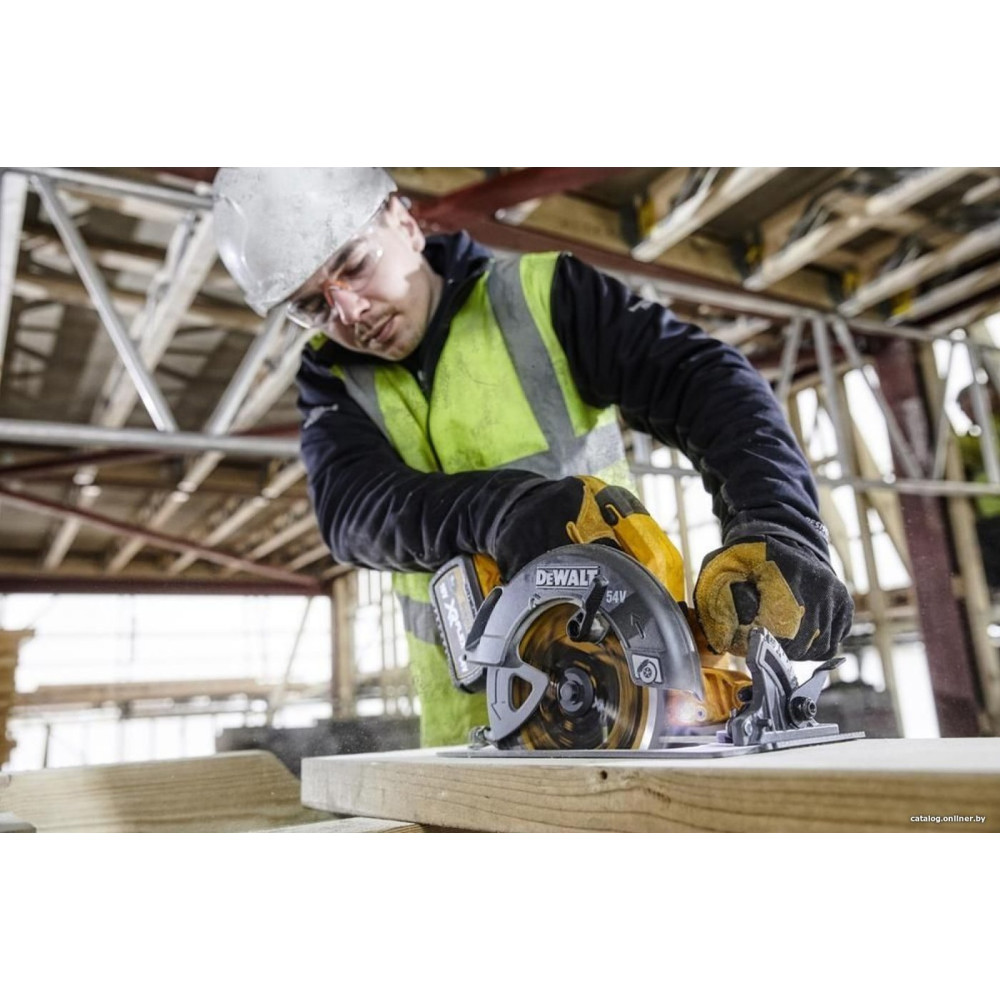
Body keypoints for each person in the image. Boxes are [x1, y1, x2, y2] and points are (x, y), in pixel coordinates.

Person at [212, 168, 854, 746]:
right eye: (311, 305)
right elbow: (352, 510)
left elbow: (706, 381)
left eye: (353, 265)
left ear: (402, 220)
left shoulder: (543, 297)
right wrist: (500, 510)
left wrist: (777, 524)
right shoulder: (330, 378)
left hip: (636, 706)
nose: (348, 312)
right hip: (467, 741)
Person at [956, 381, 1000, 591]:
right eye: (964, 409)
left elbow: (976, 450)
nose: (968, 413)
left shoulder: (992, 430)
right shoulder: (976, 437)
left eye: (970, 406)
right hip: (990, 516)